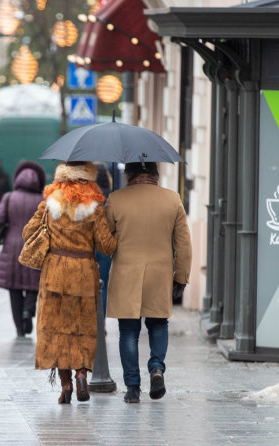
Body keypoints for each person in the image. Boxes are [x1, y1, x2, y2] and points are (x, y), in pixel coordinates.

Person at [23, 161, 117, 404]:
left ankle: (65, 385)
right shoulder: (95, 209)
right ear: (88, 180)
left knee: (56, 330)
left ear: (61, 179)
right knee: (83, 328)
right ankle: (81, 374)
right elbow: (107, 246)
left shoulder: (48, 204)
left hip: (54, 275)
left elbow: (27, 233)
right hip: (84, 275)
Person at [104, 162, 191, 404]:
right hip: (159, 275)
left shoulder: (115, 200)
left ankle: (132, 388)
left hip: (126, 274)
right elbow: (184, 244)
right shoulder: (172, 200)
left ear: (128, 174)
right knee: (158, 324)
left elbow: (104, 241)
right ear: (155, 174)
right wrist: (181, 277)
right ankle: (156, 368)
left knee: (128, 331)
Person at [0, 161, 46, 338]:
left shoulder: (9, 197)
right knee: (33, 283)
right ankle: (28, 310)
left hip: (12, 247)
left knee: (14, 287)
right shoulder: (42, 200)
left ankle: (19, 329)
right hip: (33, 246)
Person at [94, 163, 113, 317]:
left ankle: (91, 319)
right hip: (105, 246)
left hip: (88, 245)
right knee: (104, 285)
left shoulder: (88, 197)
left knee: (88, 284)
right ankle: (101, 322)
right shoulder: (112, 198)